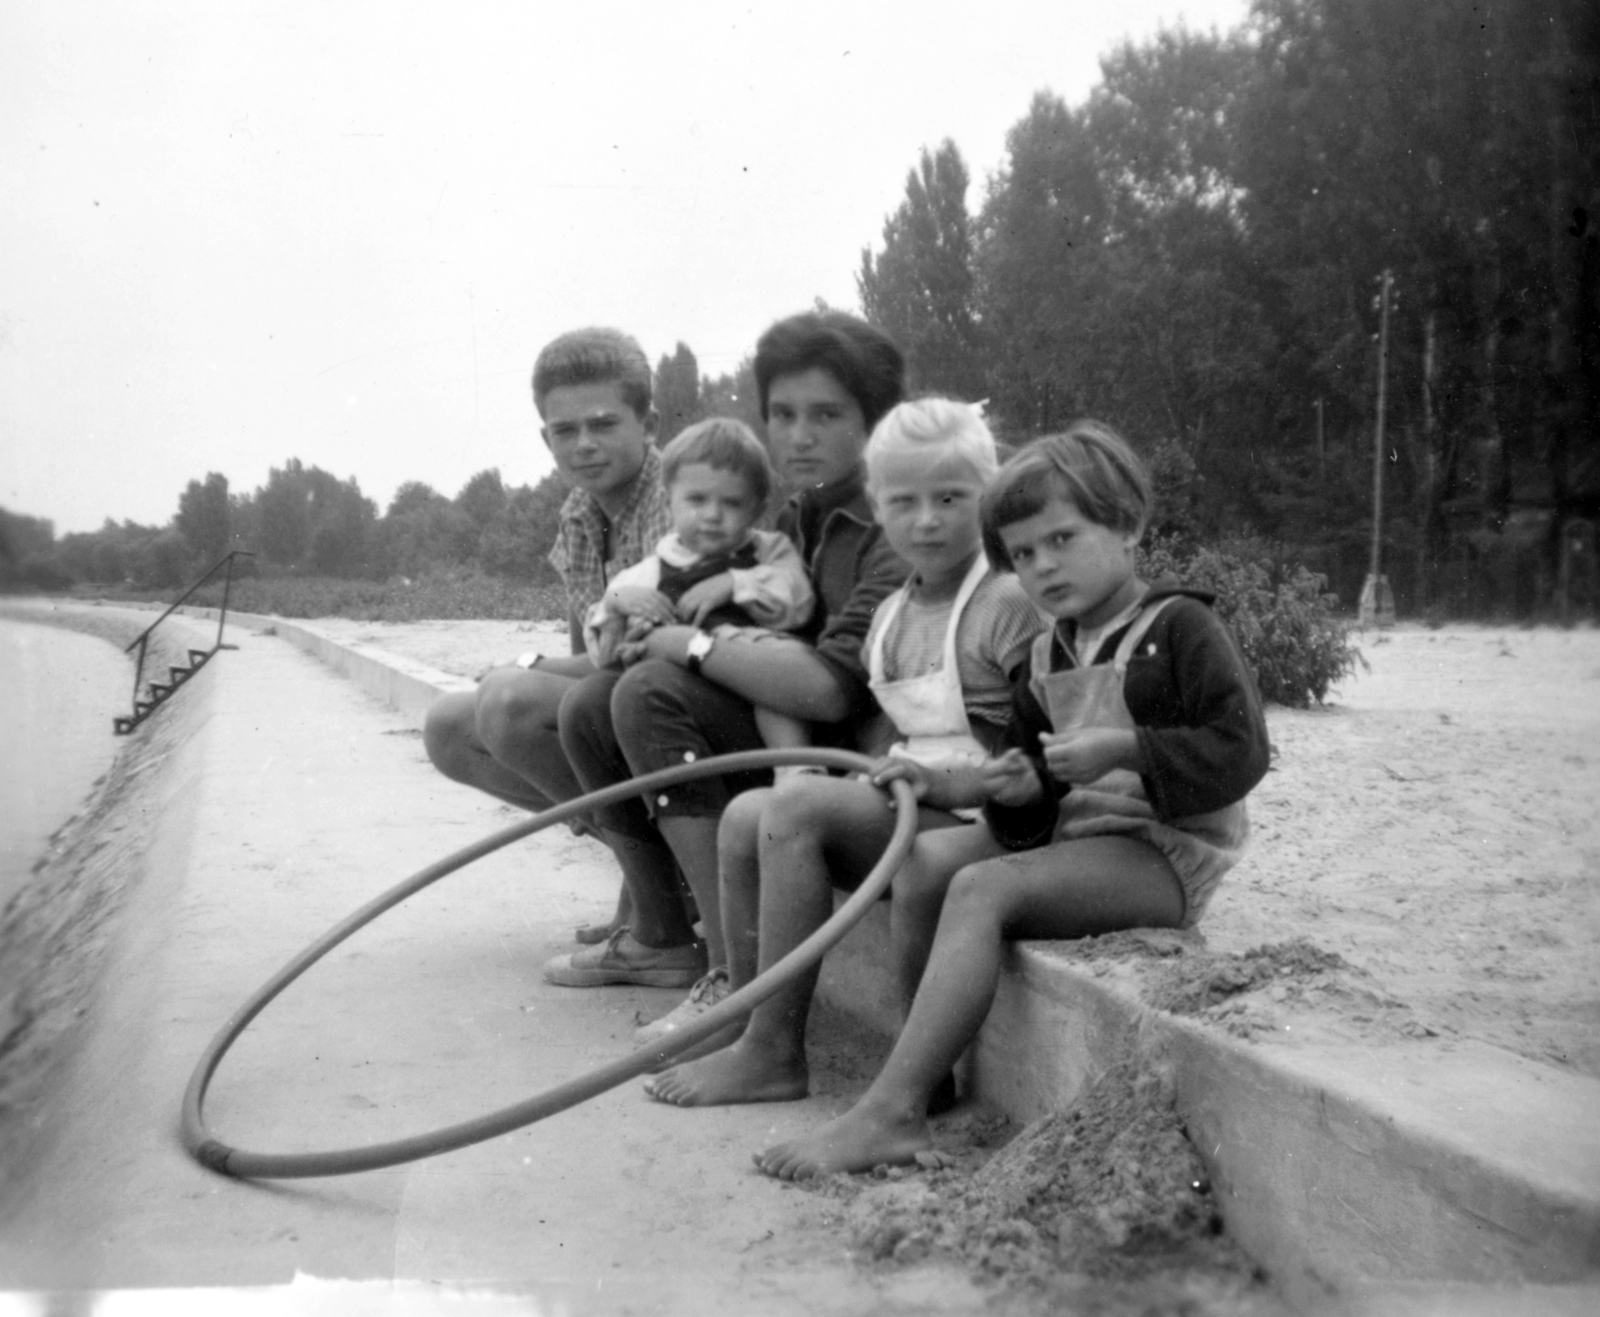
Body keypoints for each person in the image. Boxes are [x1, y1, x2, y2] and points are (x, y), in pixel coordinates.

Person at [751, 420, 1272, 1178]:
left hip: (1163, 854)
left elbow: (1242, 749)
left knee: (981, 885)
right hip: (1082, 838)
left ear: (1128, 526)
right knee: (927, 861)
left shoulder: (1178, 627)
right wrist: (984, 787)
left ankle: (888, 1111)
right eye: (1023, 554)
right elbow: (1025, 797)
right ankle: (921, 1082)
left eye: (1062, 539)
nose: (1043, 567)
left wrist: (1125, 748)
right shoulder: (1048, 648)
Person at [642, 396, 1043, 1078]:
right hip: (924, 796)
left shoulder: (1005, 600)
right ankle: (745, 1011)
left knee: (797, 803)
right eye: (903, 501)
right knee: (746, 814)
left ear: (990, 497)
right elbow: (895, 724)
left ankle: (774, 1052)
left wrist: (911, 786)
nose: (927, 519)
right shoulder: (892, 610)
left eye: (951, 497)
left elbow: (1034, 749)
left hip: (992, 813)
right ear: (877, 509)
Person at [542, 310, 909, 1001]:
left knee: (650, 689)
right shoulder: (805, 511)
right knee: (590, 702)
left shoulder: (893, 523)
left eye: (826, 414)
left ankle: (733, 978)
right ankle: (664, 933)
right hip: (794, 723)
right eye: (783, 413)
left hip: (861, 750)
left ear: (875, 419)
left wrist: (687, 640)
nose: (799, 435)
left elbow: (831, 688)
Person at [422, 327, 670, 944]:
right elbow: (586, 651)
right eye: (565, 431)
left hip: (676, 712)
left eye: (604, 424)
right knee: (450, 728)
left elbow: (641, 666)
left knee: (509, 699)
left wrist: (526, 666)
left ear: (648, 421)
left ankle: (659, 900)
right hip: (616, 707)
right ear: (546, 438)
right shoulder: (581, 512)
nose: (583, 445)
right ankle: (649, 873)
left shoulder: (675, 501)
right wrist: (538, 668)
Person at [585, 416, 814, 762]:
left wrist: (735, 583)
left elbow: (797, 598)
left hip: (753, 672)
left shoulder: (768, 550)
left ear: (757, 510)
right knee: (618, 686)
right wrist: (616, 605)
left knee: (778, 672)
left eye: (732, 503)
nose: (712, 515)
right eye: (696, 500)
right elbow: (603, 649)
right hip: (686, 685)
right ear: (668, 503)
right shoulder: (655, 568)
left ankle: (795, 766)